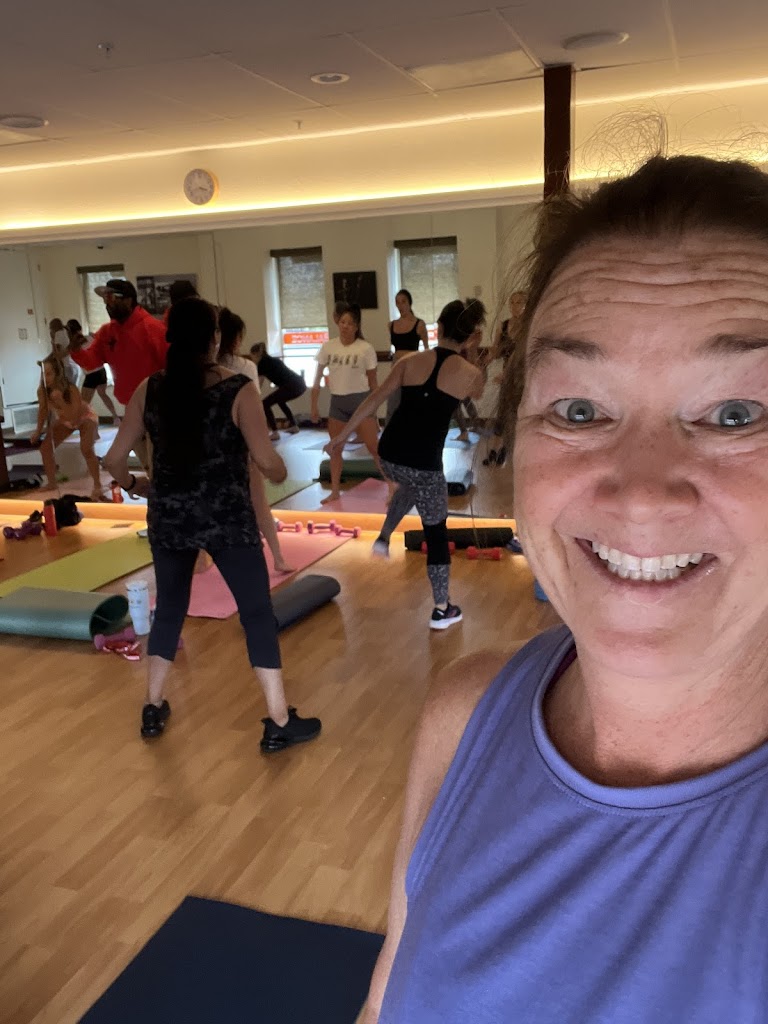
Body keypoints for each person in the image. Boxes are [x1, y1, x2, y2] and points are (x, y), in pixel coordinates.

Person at [362, 154, 768, 1023]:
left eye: (736, 414)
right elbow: (385, 1000)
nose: (641, 494)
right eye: (579, 410)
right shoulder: (464, 715)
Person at [103, 298, 321, 750]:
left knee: (169, 609)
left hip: (171, 518)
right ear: (215, 339)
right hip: (227, 519)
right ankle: (279, 719)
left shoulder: (149, 389)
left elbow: (113, 459)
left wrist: (137, 485)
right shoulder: (238, 389)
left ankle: (152, 706)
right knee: (257, 613)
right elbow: (267, 463)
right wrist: (279, 471)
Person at [326, 299, 485, 629]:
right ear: (471, 336)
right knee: (436, 531)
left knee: (410, 482)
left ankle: (384, 537)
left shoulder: (409, 361)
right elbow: (478, 393)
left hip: (390, 455)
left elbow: (373, 400)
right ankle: (442, 608)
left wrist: (342, 436)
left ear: (438, 328)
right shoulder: (470, 373)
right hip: (424, 463)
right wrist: (474, 351)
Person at [218, 307, 294, 574]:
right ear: (236, 338)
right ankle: (278, 557)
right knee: (259, 503)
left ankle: (204, 559)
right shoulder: (245, 367)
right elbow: (253, 410)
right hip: (239, 442)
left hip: (212, 446)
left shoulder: (201, 369)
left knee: (211, 505)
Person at [68, 279, 168, 469]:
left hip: (158, 406)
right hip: (131, 408)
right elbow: (92, 361)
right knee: (145, 464)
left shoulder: (153, 328)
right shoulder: (107, 332)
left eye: (112, 297)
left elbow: (171, 365)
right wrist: (76, 351)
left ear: (128, 300)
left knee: (159, 462)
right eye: (105, 299)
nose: (108, 304)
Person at [310, 304, 382, 504]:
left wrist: (374, 409)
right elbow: (317, 380)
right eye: (342, 322)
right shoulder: (328, 347)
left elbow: (374, 383)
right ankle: (335, 491)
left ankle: (393, 488)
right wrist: (314, 406)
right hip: (338, 404)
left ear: (356, 327)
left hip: (361, 402)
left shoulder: (365, 348)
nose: (345, 326)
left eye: (350, 323)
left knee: (373, 447)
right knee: (335, 449)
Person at [31, 354, 104, 500]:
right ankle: (52, 483)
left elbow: (74, 416)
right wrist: (38, 431)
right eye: (43, 374)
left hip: (85, 417)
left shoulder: (70, 388)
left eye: (49, 374)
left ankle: (97, 484)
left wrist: (61, 402)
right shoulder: (42, 391)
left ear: (57, 374)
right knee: (45, 448)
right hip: (65, 419)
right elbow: (43, 411)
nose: (46, 378)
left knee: (86, 449)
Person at [482, 290, 526, 466]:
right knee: (502, 413)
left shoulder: (529, 325)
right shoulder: (504, 325)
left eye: (519, 302)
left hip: (522, 376)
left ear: (526, 305)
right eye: (512, 302)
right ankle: (495, 450)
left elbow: (519, 354)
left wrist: (506, 373)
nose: (515, 306)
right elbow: (496, 350)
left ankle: (511, 450)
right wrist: (483, 360)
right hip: (506, 377)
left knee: (518, 413)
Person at [66, 319, 121, 431]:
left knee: (84, 402)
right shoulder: (91, 338)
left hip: (92, 374)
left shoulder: (74, 345)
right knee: (103, 394)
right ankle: (116, 417)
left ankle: (83, 424)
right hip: (101, 371)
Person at [385, 289, 429, 423]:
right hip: (396, 366)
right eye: (397, 302)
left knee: (413, 403)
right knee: (393, 402)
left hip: (412, 367)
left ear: (409, 303)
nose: (400, 305)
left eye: (403, 302)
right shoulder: (391, 325)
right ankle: (391, 432)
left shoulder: (419, 324)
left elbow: (427, 350)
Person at [249, 343, 306, 441]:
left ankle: (275, 432)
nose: (252, 359)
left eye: (252, 356)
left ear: (257, 354)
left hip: (292, 386)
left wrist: (253, 396)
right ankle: (294, 426)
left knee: (265, 404)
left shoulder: (262, 363)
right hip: (300, 384)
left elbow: (259, 384)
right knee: (280, 401)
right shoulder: (273, 360)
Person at [49, 318, 79, 386]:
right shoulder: (65, 331)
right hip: (74, 366)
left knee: (65, 390)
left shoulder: (58, 334)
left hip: (65, 367)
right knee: (73, 389)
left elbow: (56, 354)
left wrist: (52, 340)